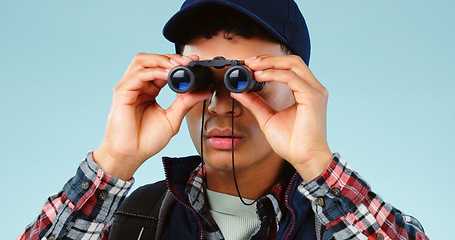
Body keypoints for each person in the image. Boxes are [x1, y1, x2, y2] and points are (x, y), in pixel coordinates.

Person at [18, 0, 428, 239]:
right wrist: (114, 160)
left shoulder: (338, 224)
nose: (220, 104)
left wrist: (317, 164)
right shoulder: (132, 221)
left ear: (296, 87)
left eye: (247, 80)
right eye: (197, 80)